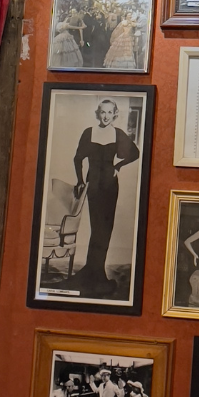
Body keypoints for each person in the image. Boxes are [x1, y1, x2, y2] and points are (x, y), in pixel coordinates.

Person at [72, 99, 140, 297]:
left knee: (106, 229)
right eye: (103, 112)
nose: (106, 116)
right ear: (98, 113)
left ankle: (98, 272)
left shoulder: (118, 134)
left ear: (115, 114)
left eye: (110, 112)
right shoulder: (88, 132)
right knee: (97, 228)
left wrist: (118, 166)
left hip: (111, 186)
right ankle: (93, 274)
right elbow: (77, 158)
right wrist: (80, 181)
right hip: (94, 185)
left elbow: (135, 153)